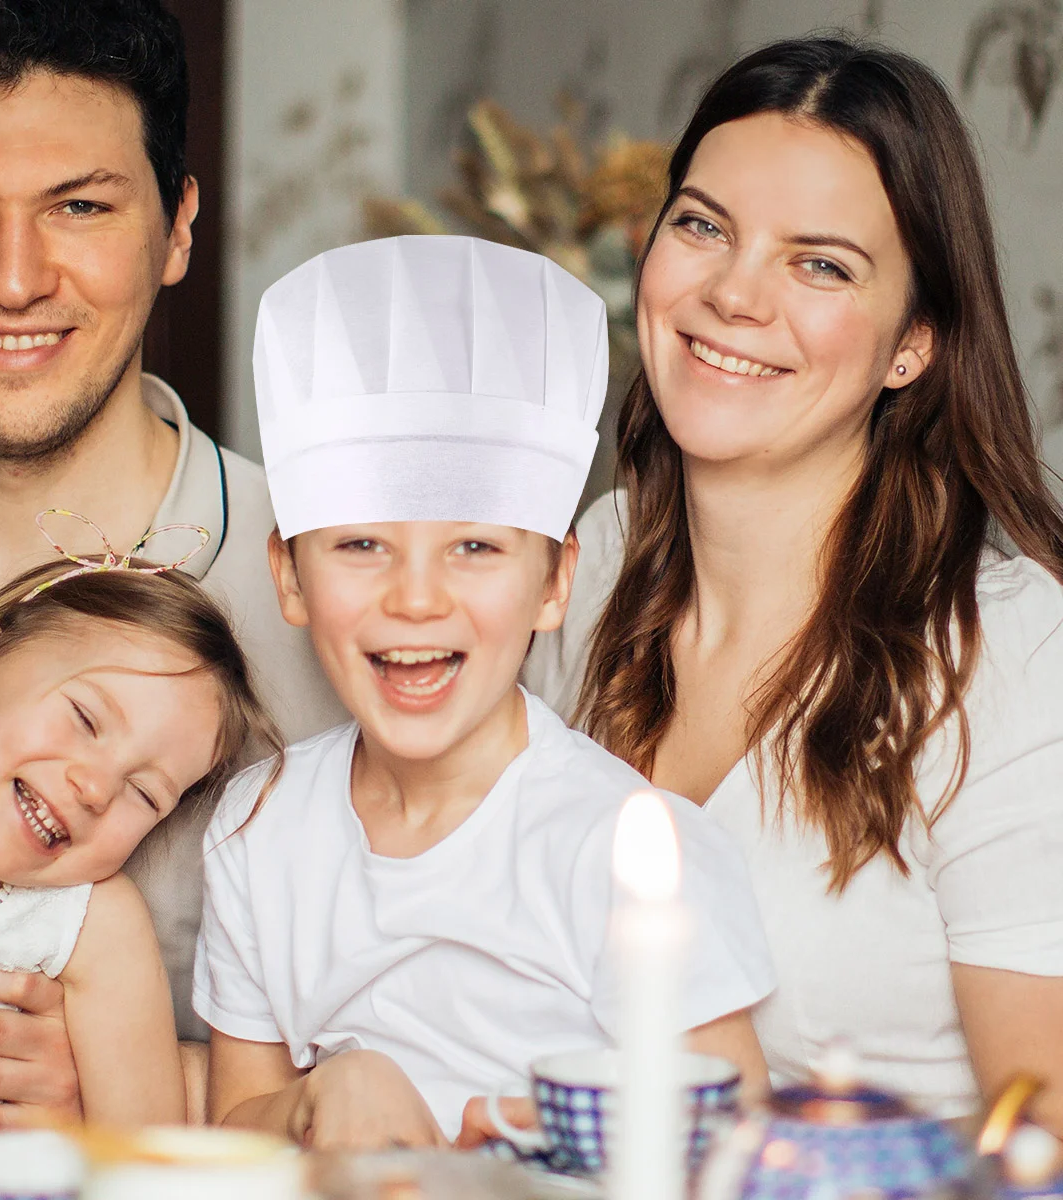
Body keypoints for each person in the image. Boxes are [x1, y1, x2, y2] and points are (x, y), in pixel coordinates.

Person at [520, 36, 1063, 1131]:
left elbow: (1043, 1132)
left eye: (820, 264)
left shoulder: (1015, 657)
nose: (731, 294)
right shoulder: (595, 561)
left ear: (913, 343)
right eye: (703, 226)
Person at [0, 0, 343, 1159]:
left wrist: (147, 1079)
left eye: (80, 206)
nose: (15, 280)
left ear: (177, 228)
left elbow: (496, 1023)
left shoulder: (351, 597)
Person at [195, 234, 775, 1150]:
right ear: (290, 576)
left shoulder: (621, 847)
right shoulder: (257, 826)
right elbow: (237, 1120)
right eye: (359, 545)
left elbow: (733, 1137)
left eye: (475, 546)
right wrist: (335, 1092)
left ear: (554, 582)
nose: (416, 597)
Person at [0, 520, 279, 1141]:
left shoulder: (93, 927)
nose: (95, 788)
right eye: (85, 718)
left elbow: (140, 1167)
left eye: (144, 793)